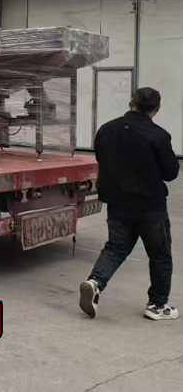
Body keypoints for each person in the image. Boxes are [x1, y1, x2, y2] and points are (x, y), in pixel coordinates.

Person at [79, 87, 179, 321]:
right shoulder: (159, 135)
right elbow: (171, 173)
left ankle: (95, 282)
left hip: (117, 203)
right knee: (160, 255)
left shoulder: (106, 129)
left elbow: (101, 158)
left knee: (115, 248)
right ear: (156, 109)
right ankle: (158, 305)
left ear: (131, 102)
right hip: (150, 206)